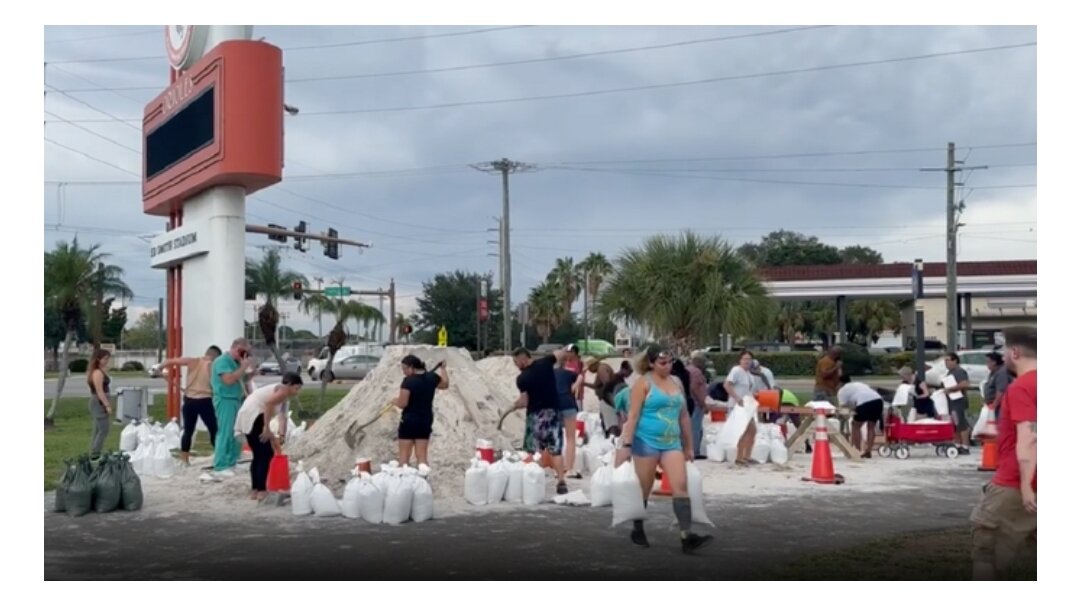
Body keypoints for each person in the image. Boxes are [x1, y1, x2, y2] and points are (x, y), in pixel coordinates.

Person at [617, 346, 712, 553]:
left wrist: (689, 445)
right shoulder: (643, 383)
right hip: (646, 440)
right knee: (644, 487)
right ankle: (638, 528)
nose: (667, 366)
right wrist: (626, 444)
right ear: (651, 363)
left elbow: (684, 415)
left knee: (680, 486)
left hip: (671, 442)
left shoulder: (676, 382)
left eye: (670, 362)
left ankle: (686, 535)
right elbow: (632, 415)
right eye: (662, 363)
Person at [970, 326, 1036, 580]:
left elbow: (1029, 436)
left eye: (1005, 350)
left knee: (987, 549)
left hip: (1015, 483)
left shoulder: (1022, 387)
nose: (1003, 356)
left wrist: (1027, 485)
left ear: (1015, 352)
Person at [235, 372, 304, 500]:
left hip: (247, 415)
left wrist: (280, 436)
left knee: (258, 454)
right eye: (296, 388)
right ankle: (261, 490)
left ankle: (255, 490)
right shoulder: (282, 391)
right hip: (254, 416)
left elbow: (282, 417)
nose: (297, 392)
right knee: (266, 454)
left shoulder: (282, 396)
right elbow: (268, 404)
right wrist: (266, 428)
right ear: (289, 384)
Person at [512, 347, 569, 494]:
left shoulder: (522, 379)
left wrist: (516, 404)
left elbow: (524, 401)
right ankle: (561, 481)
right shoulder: (545, 363)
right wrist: (566, 351)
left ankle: (534, 483)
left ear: (523, 359)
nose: (516, 365)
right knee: (556, 450)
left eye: (516, 362)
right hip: (553, 414)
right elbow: (559, 353)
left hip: (535, 417)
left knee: (533, 451)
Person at [159, 345, 222, 466]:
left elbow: (170, 361)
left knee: (188, 431)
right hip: (205, 400)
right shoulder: (213, 365)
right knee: (213, 429)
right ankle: (219, 456)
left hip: (189, 401)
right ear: (215, 356)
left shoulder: (193, 361)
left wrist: (161, 368)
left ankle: (184, 459)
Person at [211, 338, 256, 477]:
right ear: (235, 348)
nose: (244, 355)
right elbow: (228, 380)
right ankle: (220, 464)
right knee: (226, 432)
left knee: (237, 432)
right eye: (243, 352)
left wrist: (251, 372)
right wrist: (242, 367)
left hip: (237, 399)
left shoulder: (236, 363)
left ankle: (232, 460)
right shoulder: (222, 361)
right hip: (225, 399)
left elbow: (241, 379)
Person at [395, 355, 449, 467]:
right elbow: (445, 384)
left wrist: (394, 401)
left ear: (411, 367)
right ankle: (423, 479)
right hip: (425, 420)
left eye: (404, 368)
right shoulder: (432, 377)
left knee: (404, 456)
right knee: (422, 456)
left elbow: (403, 403)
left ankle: (403, 481)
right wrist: (443, 369)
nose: (403, 372)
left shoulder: (408, 381)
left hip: (409, 421)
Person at [837, 374, 885, 458]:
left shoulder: (842, 391)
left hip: (864, 402)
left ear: (840, 383)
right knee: (871, 426)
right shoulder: (859, 384)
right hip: (878, 400)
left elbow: (843, 407)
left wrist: (844, 414)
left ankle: (857, 450)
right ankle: (868, 451)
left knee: (855, 425)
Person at [724, 350, 757, 465]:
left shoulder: (750, 375)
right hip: (737, 405)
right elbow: (727, 385)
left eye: (749, 359)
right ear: (740, 360)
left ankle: (747, 455)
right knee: (742, 431)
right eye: (745, 359)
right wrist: (737, 398)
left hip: (747, 405)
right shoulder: (736, 371)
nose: (747, 361)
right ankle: (739, 457)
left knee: (752, 430)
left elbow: (749, 391)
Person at [944, 352, 972, 455]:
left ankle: (965, 445)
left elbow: (965, 384)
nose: (946, 363)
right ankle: (957, 444)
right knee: (955, 424)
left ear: (955, 360)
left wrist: (951, 389)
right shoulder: (949, 372)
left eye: (948, 360)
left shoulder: (959, 372)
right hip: (951, 401)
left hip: (958, 401)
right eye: (945, 361)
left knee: (961, 424)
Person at [86, 349, 113, 459]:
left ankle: (93, 451)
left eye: (108, 359)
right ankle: (95, 453)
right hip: (98, 402)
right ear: (98, 359)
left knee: (97, 429)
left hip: (101, 400)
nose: (107, 361)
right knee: (103, 429)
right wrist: (107, 405)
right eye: (105, 359)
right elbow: (99, 391)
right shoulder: (97, 373)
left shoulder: (101, 371)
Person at [687, 354, 710, 459]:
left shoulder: (687, 369)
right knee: (695, 428)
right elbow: (694, 388)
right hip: (696, 403)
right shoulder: (696, 372)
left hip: (687, 402)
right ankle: (695, 451)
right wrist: (702, 403)